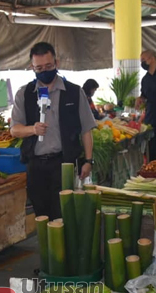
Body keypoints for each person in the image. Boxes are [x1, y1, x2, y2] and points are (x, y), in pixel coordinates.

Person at [11, 42, 96, 220]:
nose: (45, 71)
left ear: (56, 62)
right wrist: (32, 129)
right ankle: (46, 247)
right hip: (35, 165)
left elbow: (86, 129)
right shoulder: (24, 94)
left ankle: (64, 247)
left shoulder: (74, 92)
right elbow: (15, 130)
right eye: (39, 68)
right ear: (31, 67)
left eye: (49, 66)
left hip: (63, 164)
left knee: (63, 214)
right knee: (41, 214)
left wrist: (88, 161)